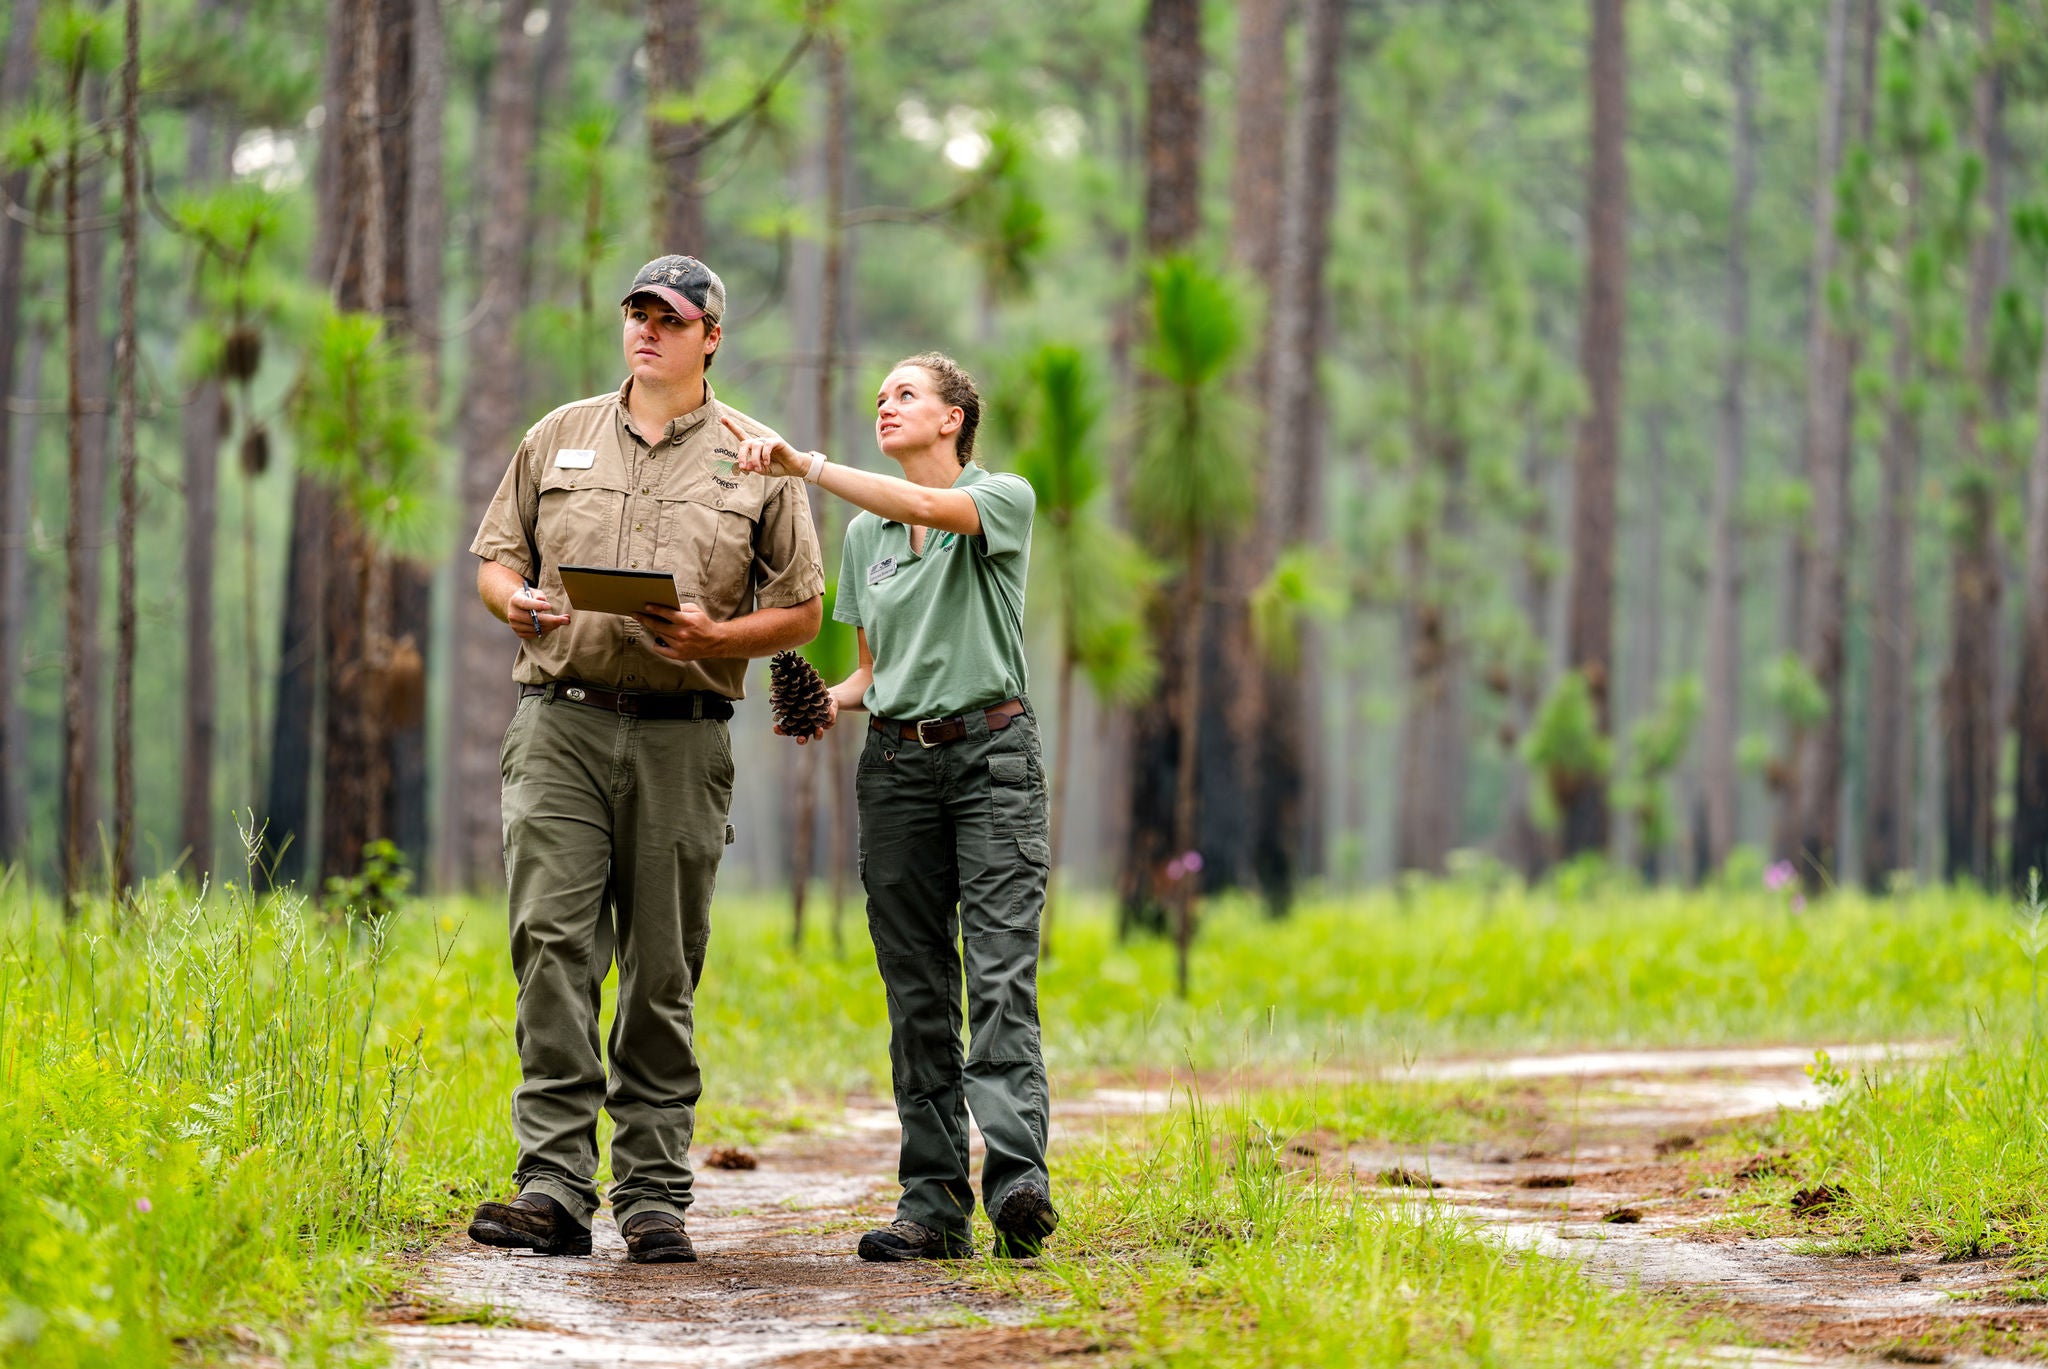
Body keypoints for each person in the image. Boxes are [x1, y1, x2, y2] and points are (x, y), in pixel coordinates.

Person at [464, 255, 824, 1264]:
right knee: (550, 943)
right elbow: (496, 560)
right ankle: (552, 1188)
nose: (646, 331)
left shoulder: (755, 457)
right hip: (559, 723)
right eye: (635, 313)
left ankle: (655, 1193)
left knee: (660, 967)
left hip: (679, 735)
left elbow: (803, 606)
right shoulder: (558, 435)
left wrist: (717, 639)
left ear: (711, 334)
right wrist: (517, 602)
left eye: (669, 318)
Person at [727, 352, 1057, 1262]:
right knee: (916, 990)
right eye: (879, 396)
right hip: (898, 770)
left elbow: (921, 506)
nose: (887, 404)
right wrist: (826, 699)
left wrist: (808, 467)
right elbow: (876, 671)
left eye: (906, 394)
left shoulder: (1002, 500)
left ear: (953, 419)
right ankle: (934, 1204)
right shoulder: (863, 542)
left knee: (996, 973)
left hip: (993, 758)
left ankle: (1019, 1180)